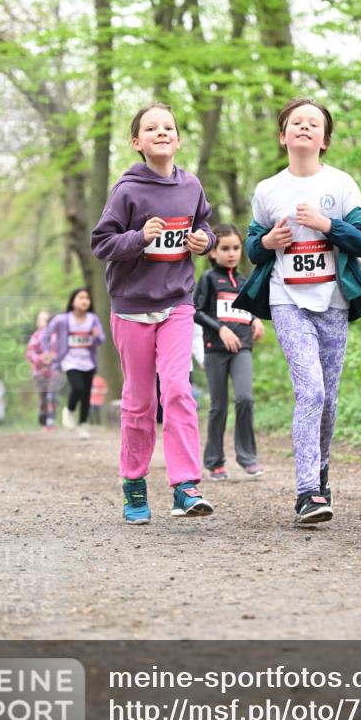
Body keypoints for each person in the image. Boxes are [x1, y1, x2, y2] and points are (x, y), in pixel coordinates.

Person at [234, 97, 361, 524]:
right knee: (311, 392)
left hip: (333, 302)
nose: (303, 127)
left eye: (313, 123)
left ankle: (319, 475)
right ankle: (306, 493)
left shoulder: (341, 185)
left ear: (324, 139)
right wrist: (266, 244)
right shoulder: (268, 190)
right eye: (295, 122)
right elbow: (250, 248)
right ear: (282, 136)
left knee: (329, 400)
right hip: (287, 300)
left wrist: (327, 225)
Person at [91, 102, 216, 524]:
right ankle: (134, 484)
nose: (161, 133)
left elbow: (205, 225)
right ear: (137, 143)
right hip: (132, 308)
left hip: (178, 303)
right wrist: (137, 238)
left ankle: (186, 485)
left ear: (178, 139)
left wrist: (203, 240)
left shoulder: (191, 186)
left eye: (168, 127)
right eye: (151, 128)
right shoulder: (127, 191)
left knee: (178, 389)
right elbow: (102, 243)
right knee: (140, 402)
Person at [194, 223, 265, 480]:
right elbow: (196, 311)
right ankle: (214, 462)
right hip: (216, 350)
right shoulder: (208, 280)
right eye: (225, 248)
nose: (231, 253)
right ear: (213, 252)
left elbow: (250, 307)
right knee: (218, 406)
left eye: (236, 248)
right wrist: (221, 329)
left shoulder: (245, 281)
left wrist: (256, 320)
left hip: (242, 349)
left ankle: (247, 457)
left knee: (245, 398)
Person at [43, 289, 106, 440]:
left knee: (86, 395)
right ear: (73, 301)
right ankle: (70, 410)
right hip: (69, 360)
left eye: (87, 298)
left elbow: (101, 339)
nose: (84, 301)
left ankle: (83, 425)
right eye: (81, 297)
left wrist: (97, 337)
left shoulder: (93, 319)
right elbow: (46, 334)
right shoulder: (63, 319)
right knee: (78, 387)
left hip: (88, 361)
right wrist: (48, 351)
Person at [25, 310, 59, 430]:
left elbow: (61, 350)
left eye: (46, 319)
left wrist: (53, 357)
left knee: (51, 395)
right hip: (39, 373)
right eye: (41, 319)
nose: (44, 322)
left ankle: (50, 421)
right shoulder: (36, 336)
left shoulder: (56, 336)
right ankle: (43, 417)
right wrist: (40, 358)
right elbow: (29, 353)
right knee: (43, 397)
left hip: (53, 371)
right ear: (38, 322)